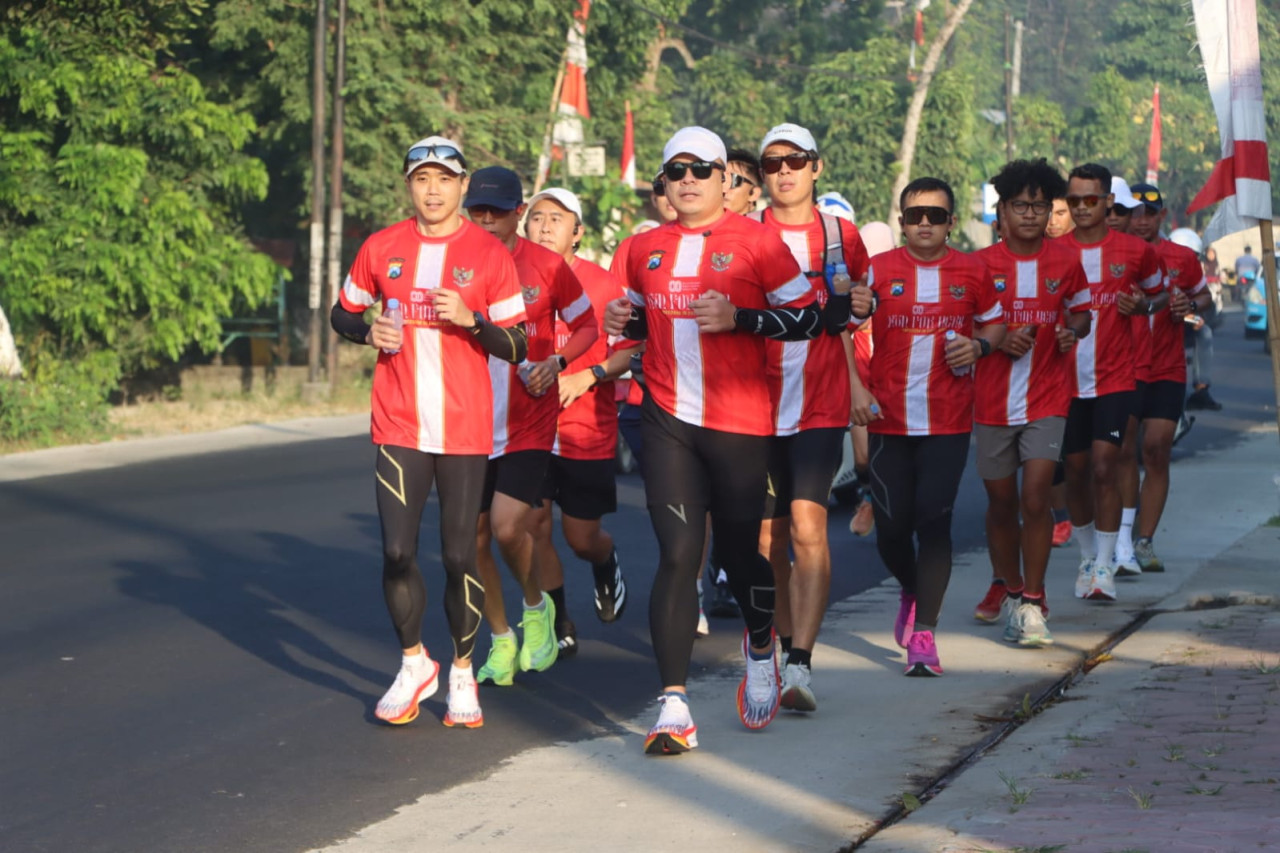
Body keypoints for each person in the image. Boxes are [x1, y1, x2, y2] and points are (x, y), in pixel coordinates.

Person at [602, 126, 849, 754]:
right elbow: (629, 321)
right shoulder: (640, 248)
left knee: (743, 557)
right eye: (676, 171)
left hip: (741, 422)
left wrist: (741, 318)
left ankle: (763, 643)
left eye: (702, 170)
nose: (688, 180)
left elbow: (810, 318)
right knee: (680, 556)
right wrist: (617, 323)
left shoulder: (759, 243)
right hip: (666, 421)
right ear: (664, 182)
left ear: (725, 180)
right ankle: (674, 706)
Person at [330, 136, 529, 728]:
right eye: (422, 179)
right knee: (396, 553)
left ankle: (464, 671)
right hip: (398, 422)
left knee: (457, 555)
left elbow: (518, 344)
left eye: (445, 179)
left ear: (463, 186)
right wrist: (368, 334)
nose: (433, 190)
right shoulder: (381, 246)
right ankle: (415, 661)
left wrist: (474, 322)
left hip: (465, 428)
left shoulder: (488, 255)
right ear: (409, 186)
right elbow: (343, 312)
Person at [853, 176, 1005, 676]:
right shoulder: (877, 271)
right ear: (901, 221)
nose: (924, 223)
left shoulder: (973, 269)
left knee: (932, 521)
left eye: (935, 216)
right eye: (915, 215)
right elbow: (841, 331)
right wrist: (856, 388)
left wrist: (980, 346)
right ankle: (912, 589)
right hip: (888, 420)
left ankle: (925, 636)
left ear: (950, 223)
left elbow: (995, 323)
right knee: (891, 532)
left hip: (947, 419)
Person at [750, 122, 871, 711]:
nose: (784, 171)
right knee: (766, 538)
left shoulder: (840, 236)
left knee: (807, 528)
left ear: (816, 167)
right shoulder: (744, 234)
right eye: (772, 163)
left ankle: (800, 663)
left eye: (796, 161)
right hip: (755, 403)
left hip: (818, 403)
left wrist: (853, 385)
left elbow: (854, 313)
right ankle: (774, 648)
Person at [462, 167, 599, 687]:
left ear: (518, 214)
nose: (488, 220)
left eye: (498, 211)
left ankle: (535, 606)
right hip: (468, 420)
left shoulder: (545, 265)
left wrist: (559, 362)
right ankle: (501, 638)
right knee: (473, 540)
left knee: (504, 527)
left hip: (528, 418)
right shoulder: (455, 264)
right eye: (479, 211)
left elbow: (586, 323)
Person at [971, 160, 1091, 647]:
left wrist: (1069, 331)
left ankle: (1035, 602)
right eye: (1019, 205)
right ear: (1000, 211)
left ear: (1050, 212)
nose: (1029, 214)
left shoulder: (1065, 261)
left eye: (1039, 206)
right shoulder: (977, 266)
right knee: (1001, 504)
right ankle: (1011, 586)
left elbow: (1082, 314)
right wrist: (995, 341)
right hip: (992, 402)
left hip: (1047, 396)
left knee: (1036, 496)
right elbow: (964, 327)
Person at [522, 187, 640, 655]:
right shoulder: (510, 279)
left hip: (585, 426)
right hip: (527, 427)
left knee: (580, 536)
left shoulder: (603, 285)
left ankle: (604, 560)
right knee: (533, 525)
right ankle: (558, 622)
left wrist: (587, 377)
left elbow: (631, 353)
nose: (545, 225)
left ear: (578, 233)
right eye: (537, 217)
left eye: (558, 218)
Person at [1058, 164, 1164, 603]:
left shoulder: (1134, 251)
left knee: (1105, 466)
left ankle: (1104, 565)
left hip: (1115, 377)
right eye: (1075, 200)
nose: (1082, 208)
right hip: (1063, 382)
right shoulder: (1054, 252)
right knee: (1077, 473)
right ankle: (1087, 556)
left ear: (1107, 204)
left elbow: (1159, 294)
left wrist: (1143, 305)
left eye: (1091, 200)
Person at [1125, 185, 1212, 572]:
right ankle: (1117, 538)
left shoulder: (1180, 258)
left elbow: (1203, 299)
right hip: (1121, 369)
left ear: (1162, 217)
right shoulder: (1112, 255)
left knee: (1157, 450)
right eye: (1135, 213)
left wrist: (1188, 307)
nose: (1142, 220)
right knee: (1120, 454)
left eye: (1150, 213)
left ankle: (1143, 541)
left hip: (1166, 367)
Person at [724, 148, 764, 216]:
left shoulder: (763, 226)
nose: (724, 188)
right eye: (722, 179)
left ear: (754, 193)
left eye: (734, 180)